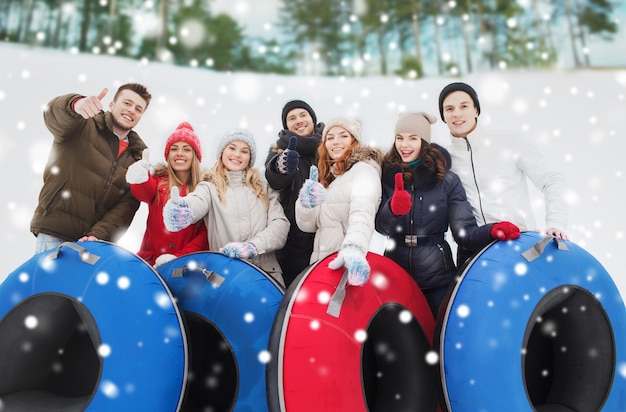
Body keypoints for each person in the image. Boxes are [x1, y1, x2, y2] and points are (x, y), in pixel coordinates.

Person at [375, 112, 520, 316]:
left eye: (412, 138)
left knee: (440, 336)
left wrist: (491, 231)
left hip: (437, 279)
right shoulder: (388, 175)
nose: (404, 145)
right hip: (396, 274)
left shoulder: (447, 181)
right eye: (400, 138)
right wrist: (393, 209)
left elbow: (464, 234)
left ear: (424, 142)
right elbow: (381, 228)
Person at [438, 82, 569, 264]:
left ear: (476, 110)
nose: (457, 114)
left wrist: (556, 223)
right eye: (449, 109)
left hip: (519, 245)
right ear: (444, 116)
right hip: (474, 254)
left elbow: (552, 179)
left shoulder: (509, 142)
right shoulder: (444, 160)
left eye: (464, 106)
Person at [31, 83, 151, 254]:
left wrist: (98, 234)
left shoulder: (137, 158)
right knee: (48, 281)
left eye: (138, 109)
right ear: (111, 105)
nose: (132, 110)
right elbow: (53, 113)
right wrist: (75, 104)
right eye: (127, 103)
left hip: (91, 245)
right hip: (56, 232)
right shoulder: (81, 124)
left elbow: (126, 207)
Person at [163, 128, 289, 286]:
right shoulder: (209, 187)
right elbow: (197, 201)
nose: (237, 154)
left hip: (267, 275)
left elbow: (280, 225)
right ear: (222, 152)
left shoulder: (264, 188)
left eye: (244, 151)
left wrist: (253, 247)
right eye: (232, 148)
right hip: (226, 276)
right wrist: (184, 209)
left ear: (250, 158)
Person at [295, 117, 383, 287]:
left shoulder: (364, 170)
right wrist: (307, 204)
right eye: (330, 137)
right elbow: (308, 226)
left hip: (347, 266)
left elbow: (362, 212)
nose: (336, 142)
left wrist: (354, 248)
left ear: (354, 141)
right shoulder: (333, 178)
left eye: (343, 136)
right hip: (323, 266)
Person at [125, 121, 210, 267]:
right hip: (150, 265)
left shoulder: (204, 191)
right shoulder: (159, 183)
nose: (179, 154)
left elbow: (205, 234)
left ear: (195, 155)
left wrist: (179, 258)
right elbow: (144, 191)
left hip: (185, 266)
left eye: (186, 149)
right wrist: (140, 177)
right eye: (174, 149)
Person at [265, 100, 324, 286]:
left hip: (327, 238)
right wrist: (281, 166)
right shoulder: (280, 149)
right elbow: (273, 176)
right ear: (286, 125)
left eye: (303, 115)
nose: (298, 120)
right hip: (292, 245)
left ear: (312, 119)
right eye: (292, 118)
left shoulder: (329, 146)